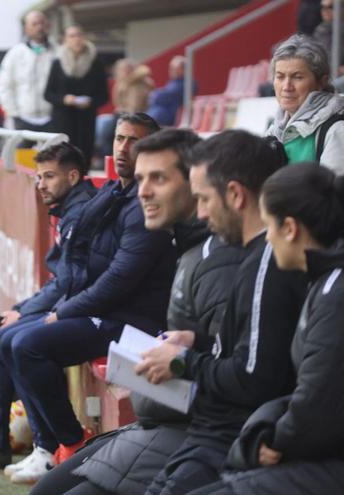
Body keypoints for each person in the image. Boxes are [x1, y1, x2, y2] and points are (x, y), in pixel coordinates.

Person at [29, 129, 244, 495]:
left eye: (158, 178)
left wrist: (178, 364)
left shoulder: (218, 262)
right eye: (141, 178)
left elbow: (242, 380)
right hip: (159, 425)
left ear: (195, 182)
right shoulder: (186, 246)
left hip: (194, 436)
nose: (142, 191)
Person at [135, 130, 307, 495]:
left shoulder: (266, 263)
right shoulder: (256, 258)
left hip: (226, 441)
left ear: (235, 195)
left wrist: (182, 362)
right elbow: (256, 347)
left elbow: (253, 377)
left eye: (203, 199)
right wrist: (198, 341)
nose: (199, 213)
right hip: (214, 437)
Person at [189, 164, 344, 495]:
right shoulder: (324, 283)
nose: (267, 237)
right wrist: (264, 427)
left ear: (289, 228)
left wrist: (271, 440)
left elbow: (316, 405)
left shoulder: (335, 293)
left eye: (269, 225)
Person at [0, 142, 96, 477]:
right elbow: (63, 280)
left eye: (49, 176)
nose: (40, 184)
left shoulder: (81, 212)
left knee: (14, 342)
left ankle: (47, 445)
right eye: (39, 176)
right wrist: (22, 309)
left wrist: (24, 312)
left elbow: (68, 283)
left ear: (73, 176)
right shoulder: (70, 208)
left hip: (83, 310)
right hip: (69, 303)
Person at [266, 33, 344, 174]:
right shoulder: (274, 129)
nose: (286, 87)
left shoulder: (336, 129)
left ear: (321, 82)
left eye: (297, 77)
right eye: (280, 77)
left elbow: (334, 187)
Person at [45, 25, 109, 163]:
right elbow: (48, 94)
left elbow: (104, 96)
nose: (76, 39)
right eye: (72, 36)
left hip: (86, 121)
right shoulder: (58, 63)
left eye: (79, 35)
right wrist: (65, 99)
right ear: (65, 40)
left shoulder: (96, 63)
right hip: (63, 120)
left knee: (83, 159)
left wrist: (90, 102)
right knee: (62, 159)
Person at [0, 10, 57, 132]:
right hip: (23, 119)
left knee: (53, 145)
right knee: (24, 147)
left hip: (51, 119)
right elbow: (3, 85)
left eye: (41, 23)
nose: (39, 27)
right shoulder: (15, 53)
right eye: (34, 24)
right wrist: (13, 112)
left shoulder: (57, 51)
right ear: (26, 29)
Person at [97, 59, 154, 158]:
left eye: (125, 69)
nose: (123, 72)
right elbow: (117, 102)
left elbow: (136, 106)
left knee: (108, 132)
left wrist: (123, 111)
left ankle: (110, 157)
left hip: (136, 115)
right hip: (124, 113)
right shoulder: (123, 83)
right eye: (121, 70)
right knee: (102, 124)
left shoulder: (138, 83)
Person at [146, 56, 192, 127]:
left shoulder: (187, 83)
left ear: (183, 69)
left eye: (174, 68)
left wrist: (155, 95)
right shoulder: (173, 82)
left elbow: (161, 97)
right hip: (156, 118)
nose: (171, 71)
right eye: (171, 68)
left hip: (168, 120)